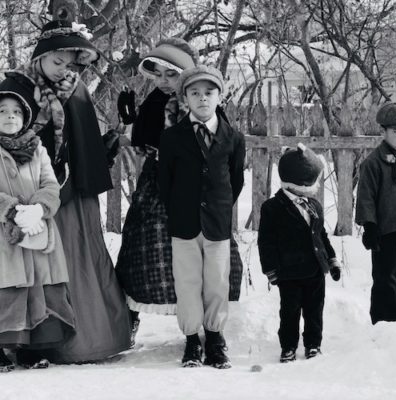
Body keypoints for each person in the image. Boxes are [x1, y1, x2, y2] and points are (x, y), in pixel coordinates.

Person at [1, 20, 131, 363]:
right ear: (41, 56)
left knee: (79, 260)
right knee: (33, 264)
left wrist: (102, 148)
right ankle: (32, 342)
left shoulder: (76, 89)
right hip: (30, 195)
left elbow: (82, 140)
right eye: (57, 62)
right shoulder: (15, 88)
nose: (63, 70)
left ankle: (89, 339)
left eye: (69, 64)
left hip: (74, 194)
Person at [115, 39, 244, 346]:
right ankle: (131, 319)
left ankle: (210, 328)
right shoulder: (154, 102)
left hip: (198, 194)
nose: (162, 81)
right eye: (157, 74)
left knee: (211, 261)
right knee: (142, 254)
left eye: (170, 74)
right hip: (157, 186)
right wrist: (132, 122)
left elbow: (227, 160)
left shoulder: (204, 106)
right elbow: (143, 138)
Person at [158, 65, 246, 369]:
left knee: (217, 282)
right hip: (184, 224)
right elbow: (164, 183)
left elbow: (235, 182)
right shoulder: (172, 138)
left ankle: (215, 338)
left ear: (220, 96)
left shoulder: (233, 138)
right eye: (195, 93)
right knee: (187, 281)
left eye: (209, 93)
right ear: (185, 98)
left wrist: (217, 207)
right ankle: (192, 340)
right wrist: (181, 208)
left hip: (217, 224)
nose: (202, 99)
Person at [0, 85, 75, 371]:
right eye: (3, 111)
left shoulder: (37, 148)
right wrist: (11, 209)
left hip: (37, 231)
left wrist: (38, 209)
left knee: (38, 288)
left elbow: (50, 184)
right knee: (7, 289)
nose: (10, 116)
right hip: (4, 235)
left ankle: (30, 348)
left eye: (17, 111)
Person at [257, 143, 341, 363]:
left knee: (314, 311)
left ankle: (313, 344)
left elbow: (321, 235)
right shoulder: (272, 208)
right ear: (300, 182)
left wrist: (331, 261)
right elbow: (265, 242)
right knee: (289, 312)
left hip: (315, 270)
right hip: (289, 273)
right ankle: (288, 346)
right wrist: (270, 270)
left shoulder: (314, 205)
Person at [355, 102, 396, 324]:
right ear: (383, 132)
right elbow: (366, 197)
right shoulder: (373, 163)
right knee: (385, 278)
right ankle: (384, 324)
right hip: (386, 232)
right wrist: (369, 226)